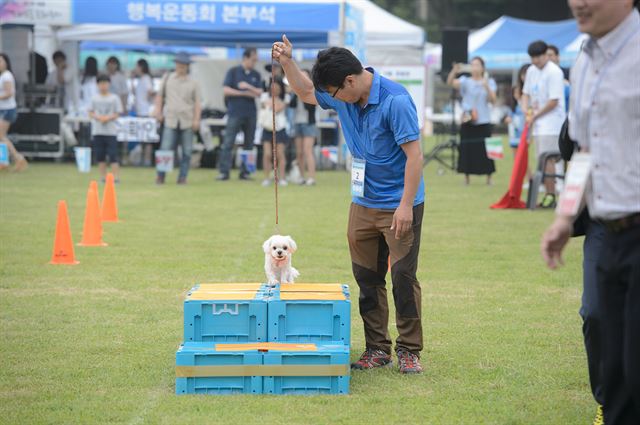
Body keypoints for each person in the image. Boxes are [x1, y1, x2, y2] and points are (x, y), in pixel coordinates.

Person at [273, 37, 425, 374]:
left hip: (400, 203)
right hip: (362, 202)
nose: (332, 100)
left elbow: (415, 158)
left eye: (336, 92)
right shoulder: (345, 96)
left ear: (351, 81)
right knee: (367, 277)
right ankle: (377, 349)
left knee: (402, 276)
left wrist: (404, 207)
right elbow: (307, 92)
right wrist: (287, 62)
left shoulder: (395, 100)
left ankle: (410, 351)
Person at [541, 2, 640, 425]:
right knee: (600, 327)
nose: (578, 2)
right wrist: (565, 217)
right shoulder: (583, 61)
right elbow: (582, 150)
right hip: (606, 228)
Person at [521, 40, 566, 208]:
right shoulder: (532, 71)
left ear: (545, 54)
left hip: (552, 123)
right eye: (532, 58)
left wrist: (535, 115)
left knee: (548, 160)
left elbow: (554, 101)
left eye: (538, 57)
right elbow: (525, 93)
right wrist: (526, 110)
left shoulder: (554, 72)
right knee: (540, 159)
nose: (535, 61)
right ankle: (548, 194)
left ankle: (551, 195)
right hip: (537, 123)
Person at [446, 57, 497, 185]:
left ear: (483, 67)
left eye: (477, 65)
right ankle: (466, 178)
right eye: (472, 65)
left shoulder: (489, 82)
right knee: (466, 149)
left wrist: (486, 87)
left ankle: (489, 178)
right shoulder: (465, 81)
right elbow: (450, 82)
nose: (475, 67)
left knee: (486, 151)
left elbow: (493, 100)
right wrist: (454, 71)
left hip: (484, 120)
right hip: (468, 119)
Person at [153, 52, 201, 185]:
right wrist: (158, 112)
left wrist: (197, 119)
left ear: (187, 66)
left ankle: (182, 177)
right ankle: (160, 176)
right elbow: (159, 97)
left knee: (187, 151)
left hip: (187, 119)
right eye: (179, 64)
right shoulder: (167, 78)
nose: (181, 66)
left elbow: (197, 103)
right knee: (165, 148)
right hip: (170, 118)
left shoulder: (194, 83)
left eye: (184, 64)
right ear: (176, 64)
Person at [217, 47, 262, 181]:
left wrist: (248, 87)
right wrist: (243, 93)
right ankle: (224, 172)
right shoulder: (233, 72)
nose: (254, 62)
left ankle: (245, 172)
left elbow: (260, 93)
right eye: (253, 60)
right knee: (228, 143)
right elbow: (226, 90)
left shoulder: (256, 75)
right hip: (234, 112)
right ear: (245, 58)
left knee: (249, 143)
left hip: (251, 113)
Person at [88, 74, 122, 182]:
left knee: (113, 155)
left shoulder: (114, 98)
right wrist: (99, 117)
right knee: (100, 155)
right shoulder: (94, 98)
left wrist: (107, 118)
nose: (103, 86)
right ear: (97, 85)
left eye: (105, 83)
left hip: (111, 132)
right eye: (101, 83)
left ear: (109, 84)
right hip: (98, 131)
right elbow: (90, 112)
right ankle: (103, 177)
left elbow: (118, 113)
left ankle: (116, 177)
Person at [0, 53, 27, 171]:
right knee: (2, 136)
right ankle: (5, 160)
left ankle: (17, 158)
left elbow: (9, 93)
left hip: (7, 110)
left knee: (1, 136)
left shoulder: (6, 76)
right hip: (4, 109)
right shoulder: (3, 76)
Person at [260, 78, 289, 187]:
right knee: (267, 154)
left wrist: (271, 103)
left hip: (280, 128)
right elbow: (265, 105)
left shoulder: (286, 98)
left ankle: (281, 178)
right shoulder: (264, 96)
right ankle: (267, 178)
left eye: (277, 87)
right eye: (273, 87)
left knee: (280, 154)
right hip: (267, 127)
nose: (275, 89)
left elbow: (277, 108)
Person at [291, 69, 318, 186]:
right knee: (299, 152)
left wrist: (303, 92)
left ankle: (311, 177)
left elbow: (311, 107)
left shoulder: (312, 92)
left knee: (308, 150)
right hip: (297, 122)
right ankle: (301, 177)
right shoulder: (295, 91)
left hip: (309, 123)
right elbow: (291, 104)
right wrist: (296, 91)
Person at [133, 59, 155, 166]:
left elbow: (150, 92)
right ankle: (143, 159)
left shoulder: (146, 78)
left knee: (147, 139)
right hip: (140, 111)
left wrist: (150, 102)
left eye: (136, 66)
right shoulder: (140, 79)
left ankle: (147, 160)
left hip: (145, 112)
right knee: (142, 138)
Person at [546, 44, 571, 113]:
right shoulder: (542, 75)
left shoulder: (567, 72)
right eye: (546, 56)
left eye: (550, 55)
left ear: (557, 56)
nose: (548, 58)